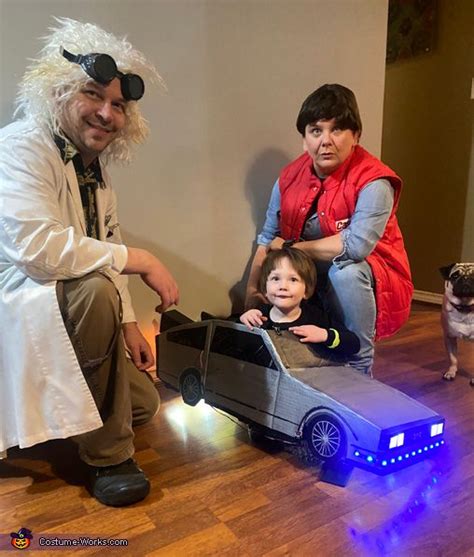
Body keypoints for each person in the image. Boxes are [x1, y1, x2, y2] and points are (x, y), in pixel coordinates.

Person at [0, 18, 179, 507]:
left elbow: (105, 239)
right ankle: (109, 458)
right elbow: (37, 248)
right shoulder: (20, 146)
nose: (106, 113)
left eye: (118, 104)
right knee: (95, 288)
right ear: (58, 93)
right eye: (93, 95)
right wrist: (139, 260)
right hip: (15, 299)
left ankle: (62, 420)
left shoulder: (92, 170)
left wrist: (126, 326)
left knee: (142, 406)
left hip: (57, 300)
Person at [245, 84, 413, 375]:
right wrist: (250, 298)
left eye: (337, 130)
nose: (326, 141)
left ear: (356, 136)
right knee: (285, 272)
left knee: (345, 270)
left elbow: (356, 246)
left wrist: (291, 249)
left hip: (372, 275)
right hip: (312, 270)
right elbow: (266, 239)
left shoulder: (376, 182)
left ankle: (361, 369)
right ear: (304, 139)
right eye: (315, 130)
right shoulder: (287, 177)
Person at [241, 248, 360, 359]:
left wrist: (325, 335)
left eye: (293, 280)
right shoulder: (259, 316)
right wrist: (244, 320)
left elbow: (353, 344)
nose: (283, 286)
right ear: (265, 288)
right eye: (276, 279)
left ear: (306, 290)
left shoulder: (315, 317)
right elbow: (237, 347)